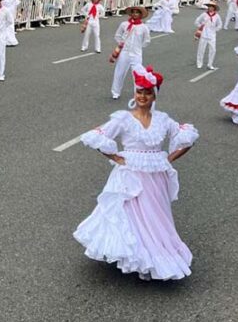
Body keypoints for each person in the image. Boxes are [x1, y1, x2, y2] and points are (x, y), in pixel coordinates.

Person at [73, 64, 199, 280]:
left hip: (156, 176)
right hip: (130, 175)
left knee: (156, 217)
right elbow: (98, 136)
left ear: (154, 96)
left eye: (147, 92)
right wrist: (115, 157)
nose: (142, 96)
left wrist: (169, 159)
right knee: (129, 216)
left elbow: (188, 138)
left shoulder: (163, 120)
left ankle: (158, 256)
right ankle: (134, 256)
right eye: (139, 91)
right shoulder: (123, 118)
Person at [110, 5, 151, 100]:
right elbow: (117, 35)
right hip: (124, 52)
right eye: (133, 12)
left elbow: (147, 40)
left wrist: (139, 47)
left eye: (137, 12)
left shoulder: (144, 27)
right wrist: (121, 44)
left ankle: (138, 93)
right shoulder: (124, 24)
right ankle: (115, 92)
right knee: (119, 72)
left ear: (140, 15)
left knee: (138, 74)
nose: (135, 14)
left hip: (136, 54)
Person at [194, 3, 222, 70]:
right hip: (204, 35)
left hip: (212, 36)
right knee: (201, 49)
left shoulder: (217, 16)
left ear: (214, 8)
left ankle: (210, 64)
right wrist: (201, 27)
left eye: (211, 7)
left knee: (213, 50)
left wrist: (215, 29)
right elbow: (197, 21)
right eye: (208, 7)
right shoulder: (204, 14)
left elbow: (220, 25)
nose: (209, 8)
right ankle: (199, 63)